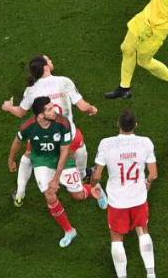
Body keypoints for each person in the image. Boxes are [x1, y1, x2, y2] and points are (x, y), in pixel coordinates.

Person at [7, 96, 107, 248]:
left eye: (52, 107)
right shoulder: (27, 127)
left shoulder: (62, 123)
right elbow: (17, 141)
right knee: (49, 194)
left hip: (63, 160)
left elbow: (65, 150)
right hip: (41, 161)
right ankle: (69, 230)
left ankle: (96, 189)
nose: (54, 110)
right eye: (49, 109)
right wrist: (11, 159)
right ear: (40, 115)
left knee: (78, 196)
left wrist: (56, 178)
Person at [1, 55, 97, 207]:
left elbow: (20, 112)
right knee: (79, 147)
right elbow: (83, 107)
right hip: (68, 137)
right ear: (46, 67)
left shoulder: (31, 90)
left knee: (28, 155)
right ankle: (83, 176)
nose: (52, 61)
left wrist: (8, 107)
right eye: (49, 60)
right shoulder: (64, 81)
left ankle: (20, 194)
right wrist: (92, 109)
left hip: (44, 137)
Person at [91, 109, 160, 278]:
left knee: (117, 239)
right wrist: (147, 184)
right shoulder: (145, 142)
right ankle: (151, 276)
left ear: (118, 125)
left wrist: (93, 186)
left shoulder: (107, 144)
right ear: (136, 125)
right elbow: (153, 174)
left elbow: (97, 175)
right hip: (138, 198)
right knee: (143, 232)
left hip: (117, 201)